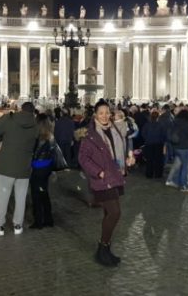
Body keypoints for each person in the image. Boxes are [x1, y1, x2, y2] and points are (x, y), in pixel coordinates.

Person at [78, 100, 135, 266]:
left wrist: (128, 159)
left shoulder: (115, 129)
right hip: (103, 179)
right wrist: (98, 172)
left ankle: (105, 249)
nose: (104, 116)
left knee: (109, 213)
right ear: (95, 114)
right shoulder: (89, 134)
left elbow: (120, 150)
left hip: (115, 176)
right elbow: (83, 158)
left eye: (107, 112)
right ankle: (102, 247)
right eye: (101, 113)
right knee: (115, 213)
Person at [0, 102, 39, 236]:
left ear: (21, 109)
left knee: (3, 197)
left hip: (7, 165)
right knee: (21, 198)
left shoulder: (9, 119)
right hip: (24, 166)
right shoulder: (35, 125)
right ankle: (18, 225)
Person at [29, 114, 56, 229]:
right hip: (47, 168)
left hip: (38, 168)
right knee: (44, 193)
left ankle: (38, 221)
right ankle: (48, 219)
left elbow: (34, 153)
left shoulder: (39, 138)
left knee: (36, 195)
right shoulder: (51, 136)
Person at [169, 109, 188, 192]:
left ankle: (177, 181)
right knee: (184, 167)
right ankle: (184, 186)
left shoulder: (174, 122)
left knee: (180, 166)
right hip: (184, 147)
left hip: (176, 147)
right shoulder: (186, 124)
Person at [141, 110, 166, 179]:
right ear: (158, 117)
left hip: (149, 143)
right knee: (158, 160)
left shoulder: (147, 124)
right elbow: (164, 134)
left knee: (149, 159)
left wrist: (147, 139)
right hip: (158, 144)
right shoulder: (161, 125)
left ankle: (149, 173)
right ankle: (158, 174)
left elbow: (143, 133)